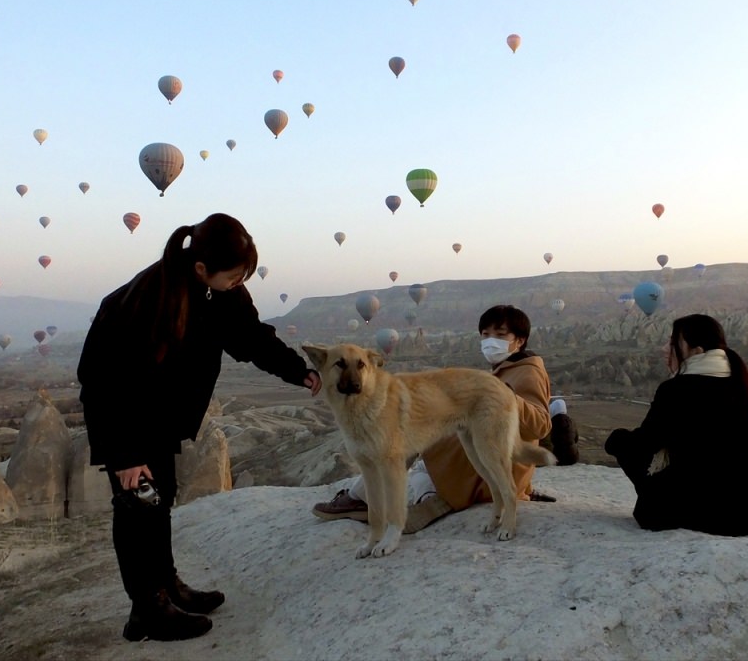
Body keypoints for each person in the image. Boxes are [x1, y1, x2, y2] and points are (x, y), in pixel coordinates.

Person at [77, 213, 321, 642]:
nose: (238, 283)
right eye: (234, 275)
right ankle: (146, 610)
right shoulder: (144, 299)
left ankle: (167, 586)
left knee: (160, 499)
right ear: (201, 269)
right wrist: (125, 456)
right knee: (137, 509)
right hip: (128, 418)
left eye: (244, 275)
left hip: (163, 417)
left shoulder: (220, 292)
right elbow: (103, 383)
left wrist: (297, 371)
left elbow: (251, 338)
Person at [312, 304, 553, 531]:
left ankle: (360, 499)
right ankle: (376, 499)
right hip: (482, 457)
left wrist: (507, 396)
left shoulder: (528, 371)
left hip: (496, 464)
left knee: (405, 441)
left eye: (500, 335)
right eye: (485, 334)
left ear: (519, 340)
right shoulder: (507, 366)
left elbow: (541, 425)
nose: (491, 341)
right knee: (413, 450)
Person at [604, 314, 748, 536]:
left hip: (691, 509)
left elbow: (645, 443)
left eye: (674, 342)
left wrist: (616, 441)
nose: (666, 349)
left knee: (623, 442)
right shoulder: (740, 383)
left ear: (697, 351)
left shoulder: (676, 390)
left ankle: (658, 500)